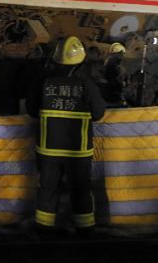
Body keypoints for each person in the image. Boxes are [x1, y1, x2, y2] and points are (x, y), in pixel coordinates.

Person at [27, 36, 106, 232]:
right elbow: (98, 114)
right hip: (78, 151)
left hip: (48, 148)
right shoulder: (86, 85)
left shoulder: (44, 83)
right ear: (81, 61)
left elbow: (30, 110)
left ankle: (44, 230)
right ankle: (85, 230)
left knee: (47, 190)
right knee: (80, 190)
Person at [103, 42, 127, 107]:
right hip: (113, 95)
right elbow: (113, 82)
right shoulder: (112, 65)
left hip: (109, 94)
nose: (123, 56)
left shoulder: (109, 63)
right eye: (121, 54)